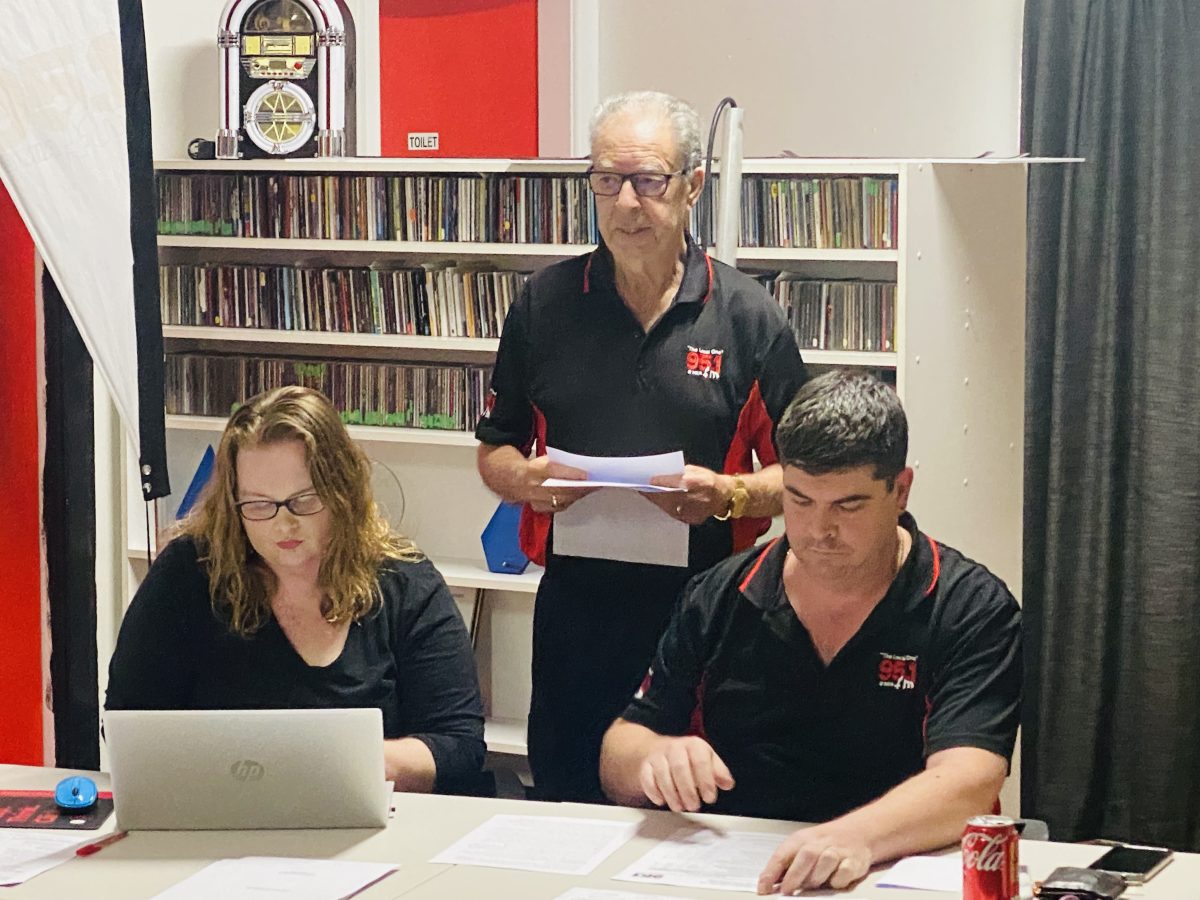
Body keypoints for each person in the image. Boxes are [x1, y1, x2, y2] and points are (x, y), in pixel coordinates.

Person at [475, 90, 807, 802]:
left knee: (697, 806)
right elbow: (494, 450)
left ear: (691, 185)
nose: (627, 203)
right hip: (575, 609)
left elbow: (806, 475)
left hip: (709, 609)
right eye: (606, 180)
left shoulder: (747, 315)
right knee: (567, 797)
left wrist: (732, 495)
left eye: (649, 180)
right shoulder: (545, 304)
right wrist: (527, 482)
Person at [599, 371, 1022, 894]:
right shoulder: (722, 594)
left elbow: (971, 781)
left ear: (901, 490)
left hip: (897, 869)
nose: (820, 530)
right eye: (799, 501)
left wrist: (853, 838)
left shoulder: (969, 606)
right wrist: (652, 759)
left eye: (848, 506)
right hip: (741, 872)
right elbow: (618, 752)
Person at [106, 385, 486, 794]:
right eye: (258, 505)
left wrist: (339, 761)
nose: (282, 525)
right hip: (218, 819)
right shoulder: (189, 573)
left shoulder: (404, 580)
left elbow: (457, 746)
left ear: (343, 491)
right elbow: (130, 725)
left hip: (367, 830)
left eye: (303, 501)